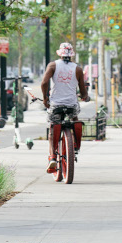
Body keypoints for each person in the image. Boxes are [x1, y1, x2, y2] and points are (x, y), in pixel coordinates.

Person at [40, 42, 89, 173]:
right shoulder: (78, 69)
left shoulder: (53, 65)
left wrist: (45, 98)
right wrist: (85, 96)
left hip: (56, 105)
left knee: (53, 126)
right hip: (71, 104)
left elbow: (44, 83)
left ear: (60, 54)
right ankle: (75, 146)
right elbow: (83, 91)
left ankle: (52, 157)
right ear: (71, 55)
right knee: (74, 118)